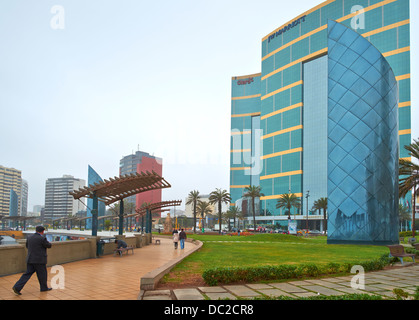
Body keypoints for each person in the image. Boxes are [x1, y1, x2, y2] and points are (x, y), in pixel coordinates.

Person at [12, 226, 52, 295]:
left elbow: (27, 246)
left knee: (27, 274)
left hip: (30, 259)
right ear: (42, 231)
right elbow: (49, 245)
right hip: (39, 260)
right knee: (42, 274)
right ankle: (44, 288)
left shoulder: (29, 237)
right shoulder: (42, 238)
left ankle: (17, 287)